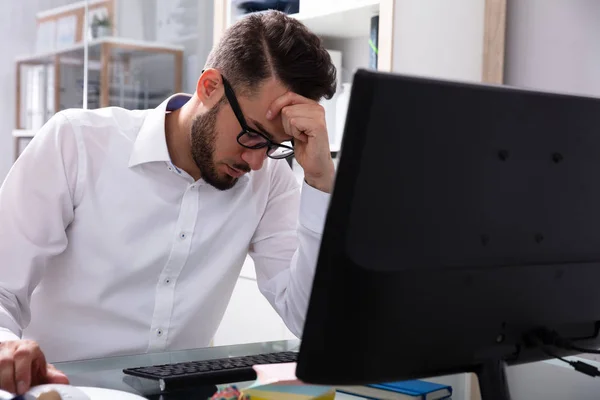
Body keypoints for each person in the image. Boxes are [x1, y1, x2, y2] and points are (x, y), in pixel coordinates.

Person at [0, 10, 337, 395]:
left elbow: (308, 320)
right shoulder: (77, 143)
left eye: (276, 146)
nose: (256, 161)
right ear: (210, 86)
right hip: (63, 392)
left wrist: (319, 181)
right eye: (253, 135)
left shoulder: (270, 179)